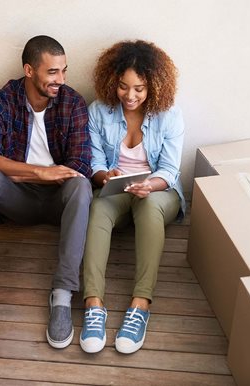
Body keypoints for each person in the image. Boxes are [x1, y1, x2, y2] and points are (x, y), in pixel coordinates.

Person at [0, 35, 93, 349]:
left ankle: (62, 295)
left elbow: (80, 164)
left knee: (81, 185)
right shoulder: (2, 100)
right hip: (17, 200)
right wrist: (37, 171)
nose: (60, 79)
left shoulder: (72, 102)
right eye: (52, 72)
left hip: (59, 201)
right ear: (29, 70)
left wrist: (47, 176)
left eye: (64, 71)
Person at [79, 40, 186, 354]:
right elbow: (95, 163)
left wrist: (149, 185)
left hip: (158, 192)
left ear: (153, 86)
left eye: (139, 88)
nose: (130, 95)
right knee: (98, 208)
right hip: (116, 189)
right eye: (123, 87)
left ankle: (140, 305)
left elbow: (169, 169)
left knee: (149, 206)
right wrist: (105, 177)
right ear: (113, 82)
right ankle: (93, 305)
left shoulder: (169, 116)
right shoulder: (98, 111)